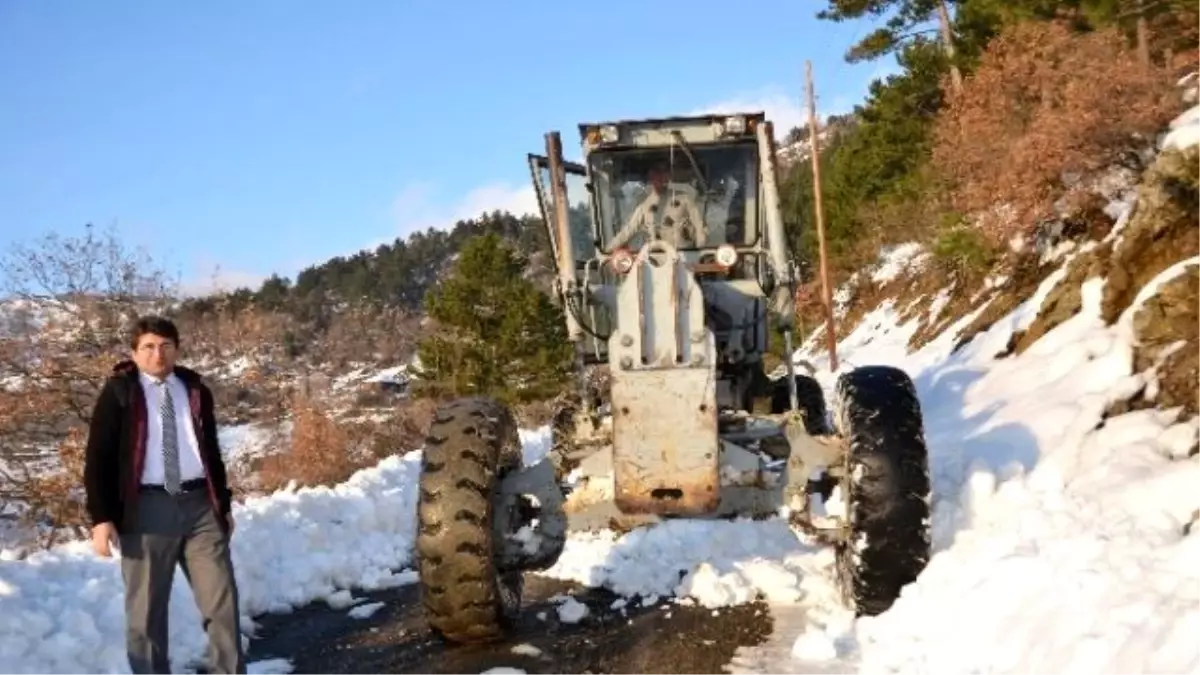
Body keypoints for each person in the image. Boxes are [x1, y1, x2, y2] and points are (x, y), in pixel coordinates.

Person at [83, 315, 245, 675]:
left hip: (201, 505)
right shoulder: (120, 392)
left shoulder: (194, 390)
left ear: (177, 349)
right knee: (146, 614)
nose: (158, 354)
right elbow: (98, 456)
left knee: (222, 605)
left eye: (166, 346)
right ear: (135, 352)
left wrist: (225, 503)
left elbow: (211, 451)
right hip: (147, 510)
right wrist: (101, 516)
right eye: (149, 347)